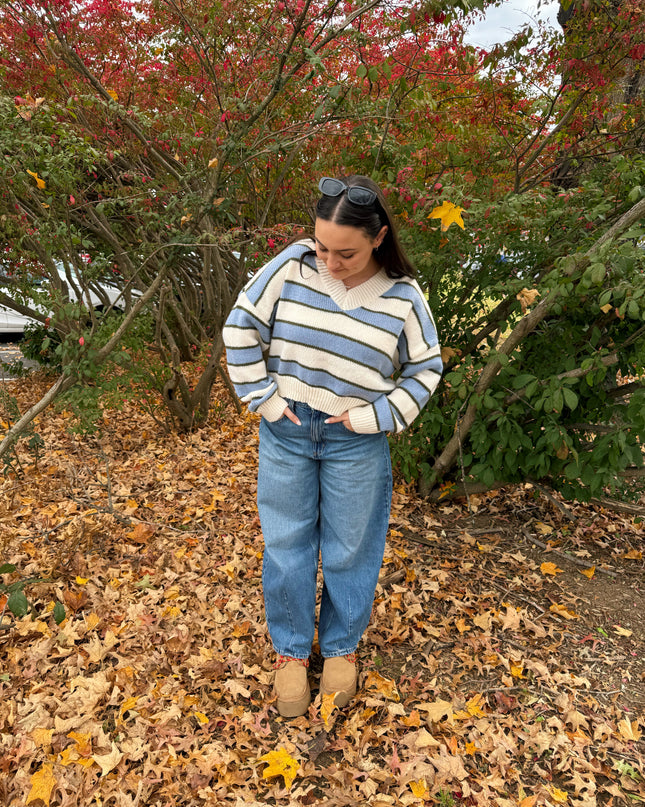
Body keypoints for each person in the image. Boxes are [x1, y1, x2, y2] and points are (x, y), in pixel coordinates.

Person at [223, 175, 442, 718]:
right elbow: (240, 326)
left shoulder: (404, 297)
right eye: (322, 245)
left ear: (378, 238)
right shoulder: (293, 264)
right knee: (286, 544)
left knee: (351, 548)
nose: (329, 260)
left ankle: (342, 647)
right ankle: (292, 652)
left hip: (355, 442)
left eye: (344, 252)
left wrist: (376, 416)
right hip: (287, 431)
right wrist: (266, 401)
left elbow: (426, 368)